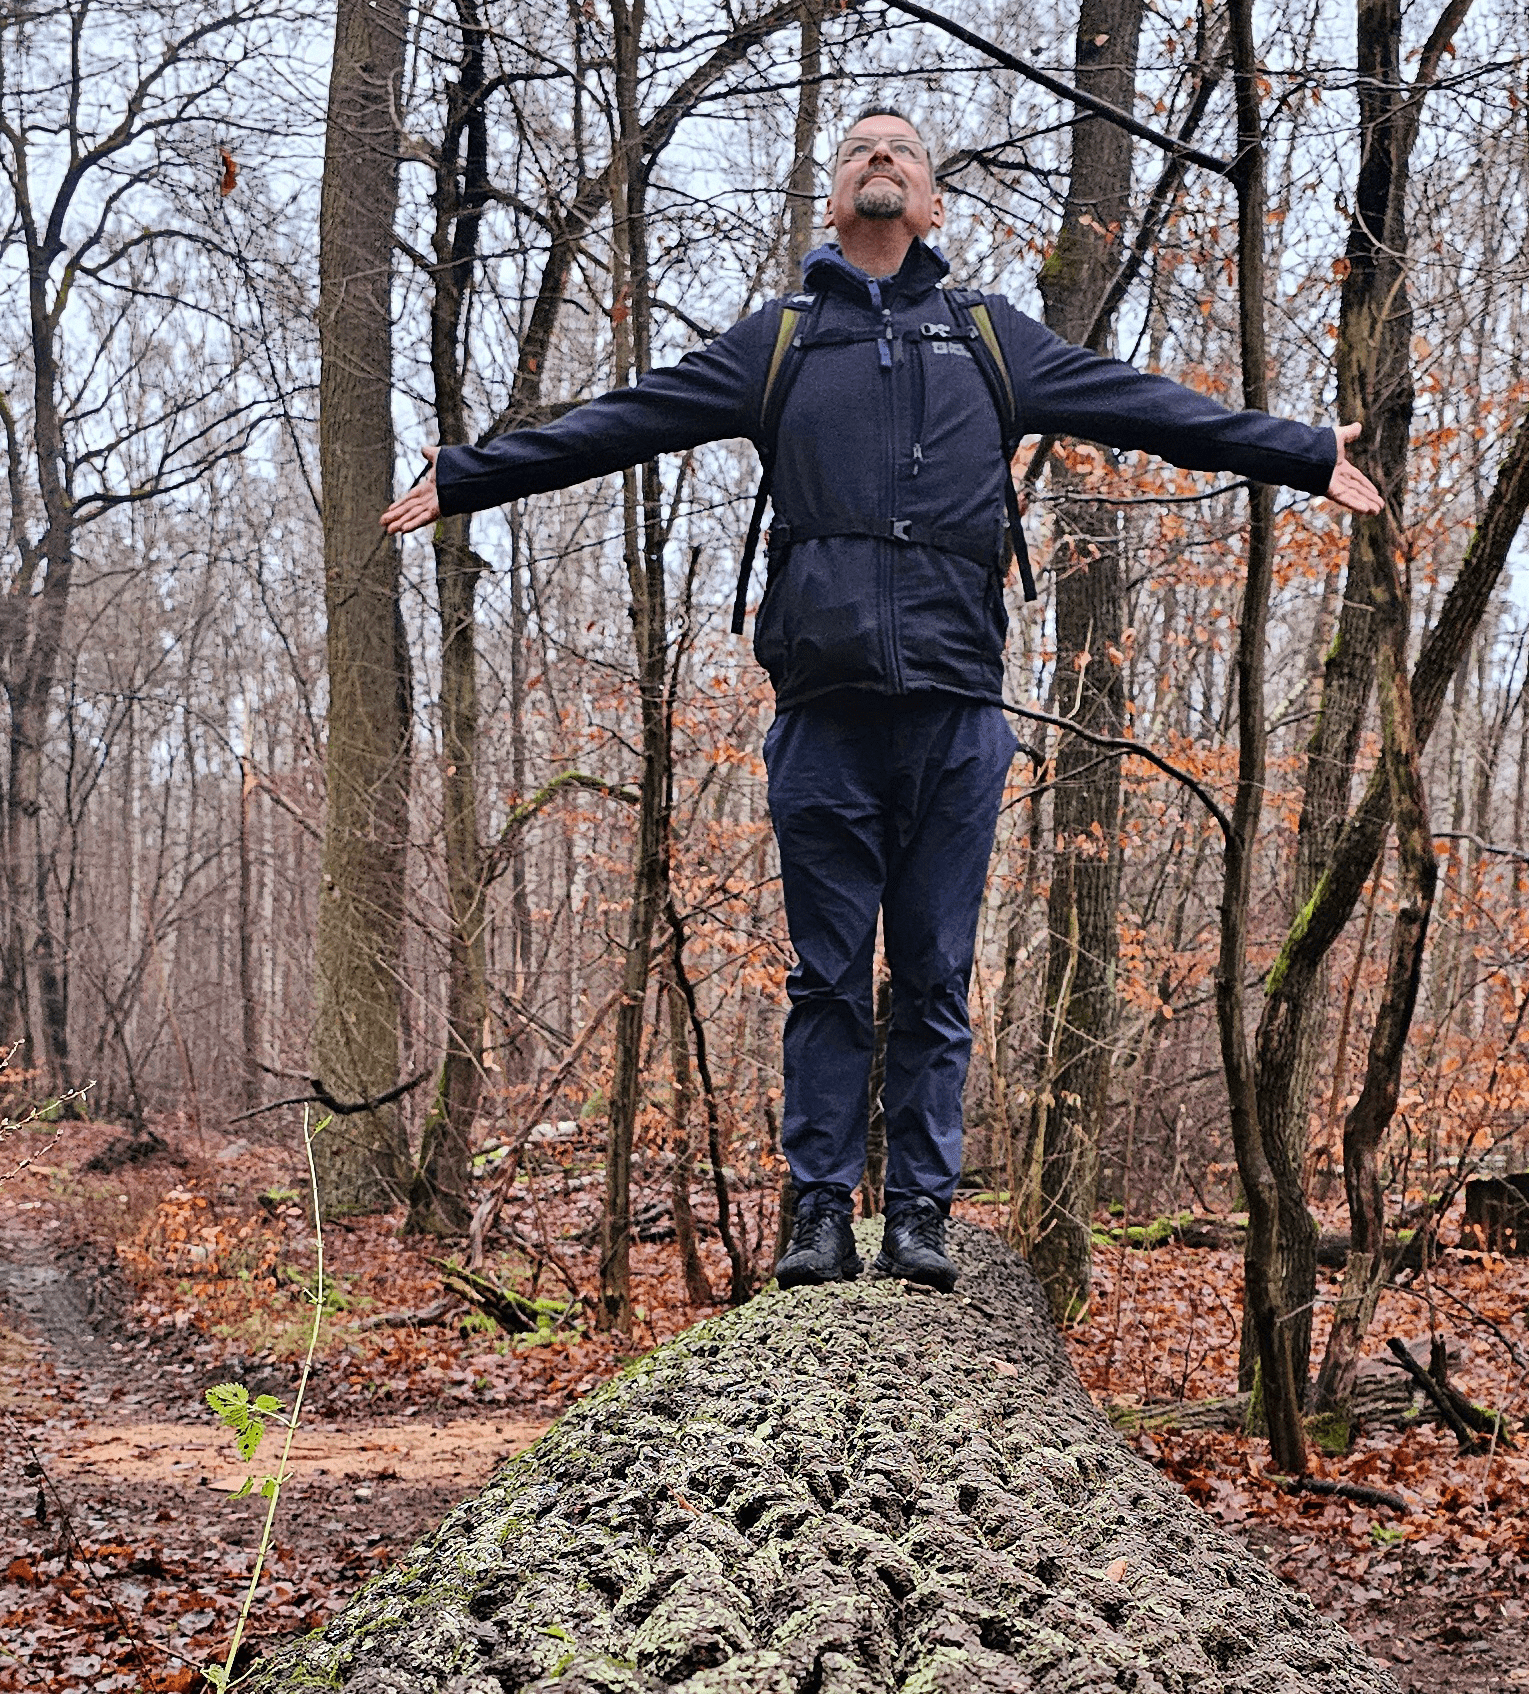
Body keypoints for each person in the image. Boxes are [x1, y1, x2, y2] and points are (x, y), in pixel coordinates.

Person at [383, 108, 1383, 1295]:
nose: (879, 160)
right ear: (833, 195)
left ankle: (917, 1212)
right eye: (859, 148)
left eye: (901, 152)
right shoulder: (780, 344)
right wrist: (465, 474)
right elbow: (624, 420)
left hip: (957, 711)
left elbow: (1146, 408)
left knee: (935, 973)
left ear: (934, 202)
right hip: (823, 714)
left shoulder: (993, 342)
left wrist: (1299, 451)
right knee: (825, 974)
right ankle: (816, 1212)